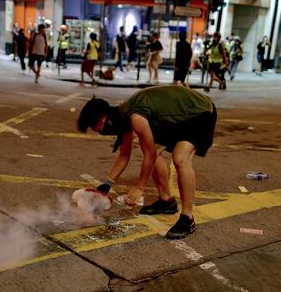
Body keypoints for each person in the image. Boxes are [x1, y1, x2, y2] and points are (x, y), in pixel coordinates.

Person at [77, 85, 217, 239]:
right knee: (154, 150)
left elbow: (149, 155)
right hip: (179, 117)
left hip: (200, 113)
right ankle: (166, 201)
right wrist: (107, 185)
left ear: (104, 119)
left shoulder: (134, 117)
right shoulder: (122, 117)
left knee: (180, 158)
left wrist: (140, 188)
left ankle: (187, 218)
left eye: (96, 128)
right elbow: (124, 155)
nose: (97, 132)